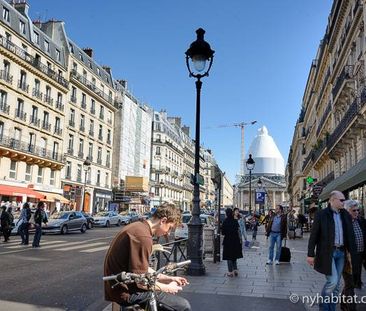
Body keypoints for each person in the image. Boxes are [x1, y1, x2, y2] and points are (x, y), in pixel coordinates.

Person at [104, 203, 191, 311]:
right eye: (169, 228)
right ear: (163, 221)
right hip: (126, 292)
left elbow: (142, 269)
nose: (168, 234)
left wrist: (169, 278)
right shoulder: (143, 236)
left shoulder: (139, 227)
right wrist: (167, 288)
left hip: (121, 287)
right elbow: (141, 281)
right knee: (183, 306)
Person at [307, 191, 356, 311]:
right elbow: (314, 236)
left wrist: (353, 254)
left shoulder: (345, 214)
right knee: (333, 281)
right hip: (327, 253)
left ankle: (331, 308)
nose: (343, 202)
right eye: (341, 200)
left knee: (336, 285)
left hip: (341, 252)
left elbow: (350, 235)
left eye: (344, 200)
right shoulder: (321, 215)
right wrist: (310, 254)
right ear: (332, 200)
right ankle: (323, 307)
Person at [344, 200, 365, 289]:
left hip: (363, 251)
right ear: (347, 211)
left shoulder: (361, 220)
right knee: (354, 269)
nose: (356, 212)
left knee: (359, 267)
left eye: (357, 210)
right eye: (354, 210)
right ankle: (354, 284)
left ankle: (357, 282)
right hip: (352, 252)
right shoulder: (344, 222)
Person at [222, 207, 243, 277]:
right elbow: (238, 230)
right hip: (235, 240)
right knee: (234, 256)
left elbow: (223, 232)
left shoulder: (225, 221)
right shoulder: (235, 221)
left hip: (228, 240)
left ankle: (230, 272)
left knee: (229, 256)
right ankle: (235, 270)